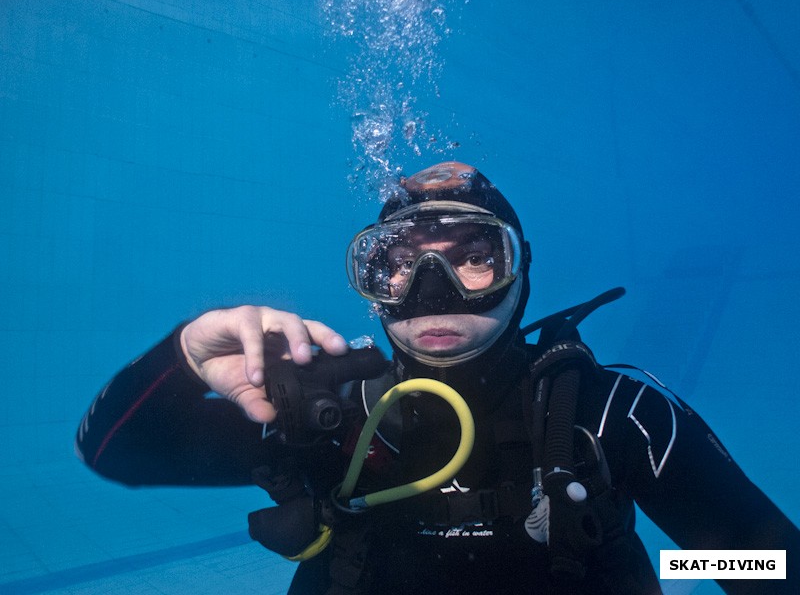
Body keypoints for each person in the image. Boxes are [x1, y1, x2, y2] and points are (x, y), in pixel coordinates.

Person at [76, 161, 798, 594]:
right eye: (397, 263)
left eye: (475, 255)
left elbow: (769, 561)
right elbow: (115, 450)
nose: (433, 286)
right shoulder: (323, 413)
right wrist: (181, 353)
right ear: (373, 282)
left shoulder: (613, 416)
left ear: (520, 271)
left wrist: (665, 558)